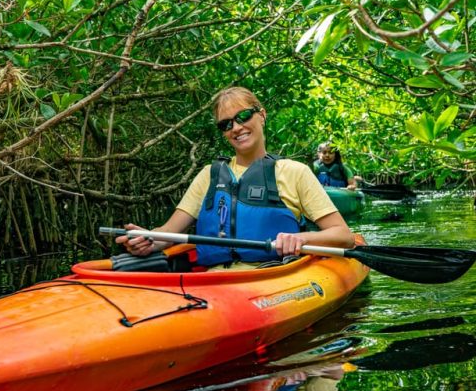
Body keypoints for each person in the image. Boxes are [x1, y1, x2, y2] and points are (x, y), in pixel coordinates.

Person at [116, 87, 355, 267]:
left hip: (273, 275)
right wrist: (146, 241)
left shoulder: (294, 172)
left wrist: (300, 238)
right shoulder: (208, 175)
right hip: (214, 283)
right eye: (226, 124)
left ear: (261, 115)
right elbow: (167, 235)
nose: (236, 128)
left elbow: (343, 236)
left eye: (243, 117)